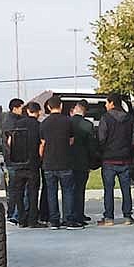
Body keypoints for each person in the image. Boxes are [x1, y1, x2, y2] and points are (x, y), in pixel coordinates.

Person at [39, 96, 83, 230]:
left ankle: (54, 221)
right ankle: (69, 220)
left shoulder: (44, 123)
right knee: (68, 191)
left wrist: (43, 157)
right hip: (65, 162)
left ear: (48, 107)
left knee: (51, 192)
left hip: (49, 162)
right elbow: (71, 140)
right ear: (61, 106)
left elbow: (42, 144)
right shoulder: (67, 121)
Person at [97, 93, 134, 226]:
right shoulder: (130, 118)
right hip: (125, 159)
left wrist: (102, 151)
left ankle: (109, 218)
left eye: (107, 103)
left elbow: (101, 138)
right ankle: (128, 217)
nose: (106, 105)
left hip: (109, 160)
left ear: (112, 103)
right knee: (126, 189)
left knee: (108, 190)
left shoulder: (106, 118)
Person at [8, 102, 44, 228]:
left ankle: (21, 220)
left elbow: (9, 142)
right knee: (33, 193)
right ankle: (32, 220)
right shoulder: (39, 126)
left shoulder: (17, 125)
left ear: (27, 111)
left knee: (19, 193)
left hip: (18, 163)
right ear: (38, 112)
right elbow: (42, 144)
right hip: (33, 164)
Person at [69, 100, 95, 225]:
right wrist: (92, 163)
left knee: (69, 190)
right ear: (85, 111)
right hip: (82, 162)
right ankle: (79, 214)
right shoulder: (88, 125)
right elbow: (91, 147)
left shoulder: (67, 123)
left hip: (68, 161)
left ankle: (70, 214)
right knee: (80, 190)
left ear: (75, 109)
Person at [3, 98, 25, 224]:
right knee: (16, 188)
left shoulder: (8, 120)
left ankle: (12, 212)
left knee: (14, 188)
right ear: (15, 108)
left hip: (9, 158)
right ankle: (13, 213)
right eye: (22, 107)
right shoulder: (14, 122)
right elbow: (12, 141)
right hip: (14, 160)